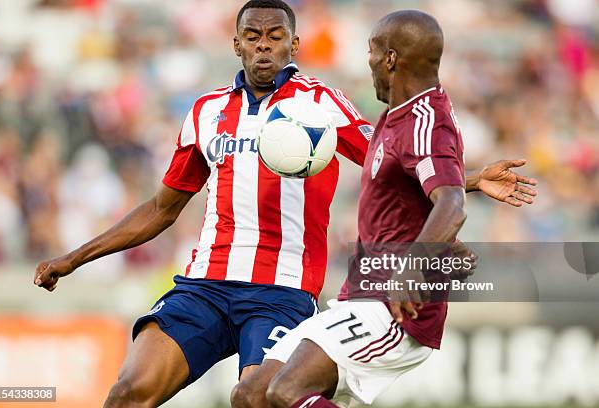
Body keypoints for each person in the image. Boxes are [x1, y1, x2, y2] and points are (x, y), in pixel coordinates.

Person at [33, 2, 537, 407]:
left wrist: (464, 182)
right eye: (253, 37)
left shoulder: (323, 104)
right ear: (236, 44)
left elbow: (391, 163)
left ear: (295, 44)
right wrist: (73, 258)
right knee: (126, 394)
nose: (264, 47)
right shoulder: (206, 112)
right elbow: (162, 209)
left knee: (256, 399)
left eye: (276, 37)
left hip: (282, 291)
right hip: (204, 285)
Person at [262, 10, 537, 408]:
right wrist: (472, 179)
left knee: (285, 393)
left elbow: (451, 205)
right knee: (250, 394)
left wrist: (414, 265)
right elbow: (421, 184)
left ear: (391, 58)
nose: (369, 61)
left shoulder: (426, 121)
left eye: (372, 51)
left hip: (393, 311)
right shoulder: (399, 115)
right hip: (362, 295)